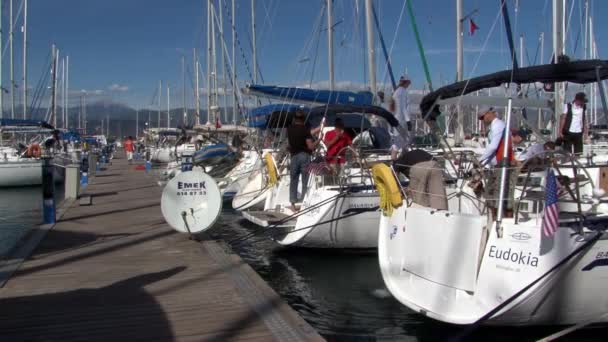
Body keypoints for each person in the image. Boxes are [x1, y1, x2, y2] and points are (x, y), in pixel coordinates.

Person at [477, 106, 515, 218]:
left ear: (489, 113)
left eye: (482, 117)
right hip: (496, 164)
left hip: (503, 163)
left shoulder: (498, 125)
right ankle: (493, 218)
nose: (482, 120)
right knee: (492, 194)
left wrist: (480, 160)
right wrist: (483, 163)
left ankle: (501, 219)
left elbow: (493, 147)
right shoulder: (494, 126)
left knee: (499, 194)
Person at [287, 110, 315, 212]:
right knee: (305, 181)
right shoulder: (305, 129)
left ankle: (293, 205)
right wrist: (317, 142)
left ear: (294, 119)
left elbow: (289, 144)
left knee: (293, 180)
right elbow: (310, 146)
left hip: (294, 156)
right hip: (304, 155)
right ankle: (303, 202)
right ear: (303, 119)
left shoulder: (289, 129)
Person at [390, 75, 412, 160]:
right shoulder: (402, 92)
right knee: (399, 143)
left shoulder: (396, 91)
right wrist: (408, 121)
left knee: (402, 143)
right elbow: (403, 107)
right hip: (401, 121)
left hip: (396, 120)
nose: (409, 85)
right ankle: (394, 163)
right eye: (408, 83)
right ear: (405, 82)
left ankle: (400, 162)